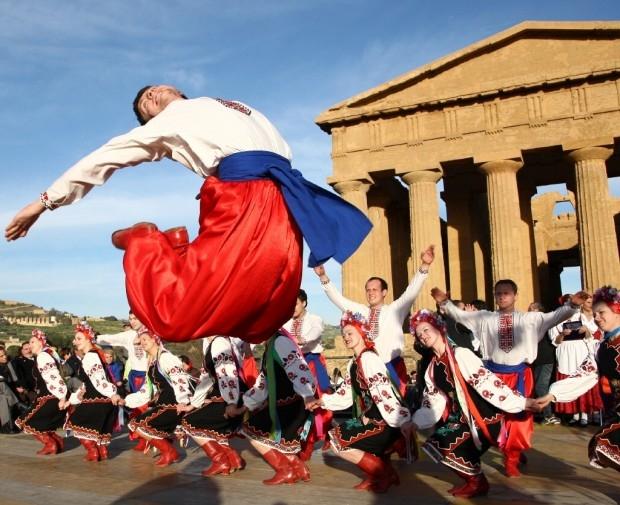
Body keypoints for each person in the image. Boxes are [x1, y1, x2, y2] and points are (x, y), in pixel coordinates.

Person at [5, 85, 372, 345]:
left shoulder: (229, 104)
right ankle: (146, 240)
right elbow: (106, 157)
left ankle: (177, 251)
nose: (151, 97)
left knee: (267, 312)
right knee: (176, 320)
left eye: (151, 96)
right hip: (245, 198)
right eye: (147, 107)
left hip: (281, 199)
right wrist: (45, 201)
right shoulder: (171, 122)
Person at [431, 281, 588, 477]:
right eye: (498, 294)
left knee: (518, 419)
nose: (502, 297)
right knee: (491, 418)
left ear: (515, 295)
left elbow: (555, 316)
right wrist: (444, 302)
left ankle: (512, 458)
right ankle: (506, 450)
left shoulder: (531, 319)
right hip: (492, 376)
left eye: (506, 293)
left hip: (520, 375)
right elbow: (459, 315)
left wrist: (572, 305)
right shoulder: (484, 317)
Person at [406, 309, 538, 497]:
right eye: (419, 335)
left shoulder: (461, 355)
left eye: (426, 330)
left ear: (439, 329)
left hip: (483, 417)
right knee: (433, 445)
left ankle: (477, 481)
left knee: (443, 444)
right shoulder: (432, 369)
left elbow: (490, 383)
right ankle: (475, 480)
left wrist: (521, 402)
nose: (423, 336)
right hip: (461, 419)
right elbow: (433, 401)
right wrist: (416, 422)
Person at [314, 244, 435, 395]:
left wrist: (424, 265)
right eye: (368, 290)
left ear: (384, 292)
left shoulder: (394, 310)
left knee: (395, 411)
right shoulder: (361, 312)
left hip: (392, 367)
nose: (371, 293)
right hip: (368, 368)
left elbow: (411, 291)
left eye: (375, 290)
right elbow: (338, 299)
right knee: (370, 410)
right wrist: (323, 277)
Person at [320, 311, 411, 494]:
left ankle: (383, 474)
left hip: (383, 422)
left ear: (362, 333)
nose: (346, 337)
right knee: (335, 437)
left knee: (341, 444)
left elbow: (385, 394)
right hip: (371, 419)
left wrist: (402, 421)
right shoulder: (354, 362)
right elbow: (345, 394)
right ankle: (378, 474)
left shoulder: (369, 359)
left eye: (350, 333)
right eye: (344, 334)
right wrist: (322, 401)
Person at [537, 285, 620, 471]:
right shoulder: (602, 347)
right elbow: (586, 372)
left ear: (617, 311)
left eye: (601, 312)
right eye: (595, 313)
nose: (597, 318)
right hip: (615, 412)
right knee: (603, 446)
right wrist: (553, 394)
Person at [226, 329, 317, 485]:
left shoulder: (280, 342)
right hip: (284, 405)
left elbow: (299, 369)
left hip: (290, 406)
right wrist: (245, 406)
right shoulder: (272, 345)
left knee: (251, 431)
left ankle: (285, 470)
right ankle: (298, 468)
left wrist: (308, 394)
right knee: (277, 441)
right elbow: (263, 384)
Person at [178, 335, 247, 476]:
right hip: (225, 393)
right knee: (210, 427)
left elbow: (227, 372)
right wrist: (194, 404)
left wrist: (232, 401)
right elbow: (205, 378)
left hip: (228, 394)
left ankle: (221, 461)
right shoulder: (213, 342)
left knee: (189, 422)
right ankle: (232, 459)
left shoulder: (219, 342)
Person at [123, 329, 191, 467]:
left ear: (154, 339)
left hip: (173, 404)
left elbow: (180, 379)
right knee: (135, 424)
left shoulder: (165, 357)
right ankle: (169, 451)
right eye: (140, 341)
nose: (142, 344)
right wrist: (127, 400)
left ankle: (170, 452)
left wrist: (183, 401)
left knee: (139, 425)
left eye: (145, 340)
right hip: (163, 402)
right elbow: (148, 389)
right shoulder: (152, 361)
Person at [61, 323, 122, 462]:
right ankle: (102, 451)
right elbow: (86, 385)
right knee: (97, 429)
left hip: (97, 400)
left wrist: (112, 393)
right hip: (104, 401)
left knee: (74, 422)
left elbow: (98, 380)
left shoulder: (90, 357)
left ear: (88, 339)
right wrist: (71, 400)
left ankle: (93, 451)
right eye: (75, 339)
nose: (74, 342)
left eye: (78, 338)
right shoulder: (96, 355)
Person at [282, 289, 332, 459]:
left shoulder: (314, 319)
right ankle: (297, 439)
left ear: (303, 303)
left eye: (295, 303)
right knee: (294, 402)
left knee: (316, 402)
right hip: (292, 364)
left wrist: (302, 339)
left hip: (312, 363)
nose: (293, 307)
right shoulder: (285, 323)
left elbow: (316, 331)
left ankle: (310, 442)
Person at [97, 311, 150, 450]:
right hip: (135, 376)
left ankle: (155, 438)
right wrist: (94, 338)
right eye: (130, 318)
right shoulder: (130, 335)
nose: (132, 321)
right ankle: (141, 438)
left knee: (148, 407)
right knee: (135, 407)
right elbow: (112, 339)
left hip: (149, 375)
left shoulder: (152, 333)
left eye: (135, 318)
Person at [549, 293, 603, 426]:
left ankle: (584, 413)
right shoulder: (556, 320)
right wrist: (562, 334)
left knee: (580, 378)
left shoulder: (582, 317)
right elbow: (555, 341)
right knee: (569, 379)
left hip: (581, 350)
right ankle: (574, 414)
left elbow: (592, 336)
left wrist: (586, 330)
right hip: (565, 351)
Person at [15, 329, 67, 455]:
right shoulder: (43, 356)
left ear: (40, 343)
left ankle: (51, 444)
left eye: (33, 342)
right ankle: (57, 442)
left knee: (25, 422)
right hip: (49, 395)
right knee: (42, 423)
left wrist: (62, 396)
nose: (30, 345)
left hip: (49, 396)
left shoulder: (43, 356)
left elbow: (54, 377)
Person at [529, 302, 560, 425]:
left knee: (541, 386)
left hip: (546, 359)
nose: (530, 311)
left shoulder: (546, 322)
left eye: (532, 309)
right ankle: (543, 413)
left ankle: (549, 415)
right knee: (537, 386)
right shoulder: (532, 324)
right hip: (537, 359)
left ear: (539, 310)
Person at [0, 347, 20, 433]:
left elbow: (15, 380)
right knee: (3, 395)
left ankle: (8, 426)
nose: (5, 357)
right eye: (1, 356)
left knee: (4, 397)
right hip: (4, 391)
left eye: (5, 354)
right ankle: (8, 426)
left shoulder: (9, 364)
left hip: (9, 391)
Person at [13, 342, 36, 406]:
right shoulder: (17, 362)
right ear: (21, 351)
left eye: (30, 348)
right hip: (29, 391)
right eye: (26, 349)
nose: (29, 351)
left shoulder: (38, 359)